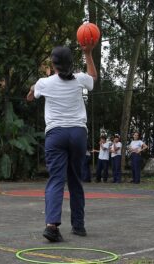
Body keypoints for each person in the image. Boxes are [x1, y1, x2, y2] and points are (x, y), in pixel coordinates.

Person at [26, 43, 97, 242]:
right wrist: (88, 53)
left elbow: (30, 97)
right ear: (71, 63)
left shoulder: (44, 83)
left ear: (53, 64)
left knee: (56, 179)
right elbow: (94, 78)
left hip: (56, 135)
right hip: (77, 134)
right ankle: (79, 226)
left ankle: (52, 226)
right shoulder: (80, 79)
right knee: (75, 179)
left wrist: (33, 89)